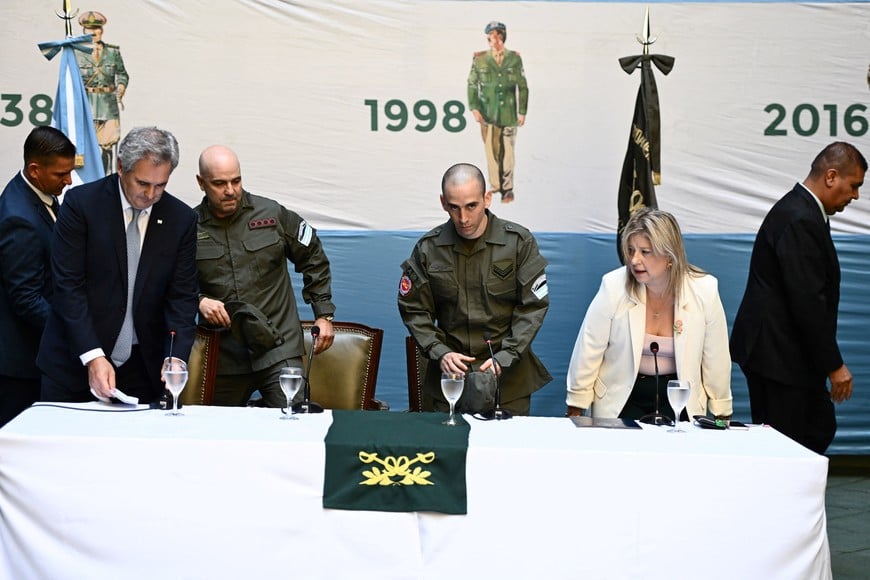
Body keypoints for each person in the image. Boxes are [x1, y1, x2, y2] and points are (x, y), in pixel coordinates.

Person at [37, 126, 198, 404]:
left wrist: (176, 355)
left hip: (144, 368)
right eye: (143, 183)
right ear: (122, 167)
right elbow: (68, 286)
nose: (150, 194)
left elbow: (182, 296)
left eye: (161, 185)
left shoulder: (180, 219)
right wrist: (92, 355)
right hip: (77, 362)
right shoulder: (81, 205)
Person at [731, 142, 866, 454]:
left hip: (782, 354)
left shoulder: (802, 211)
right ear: (831, 176)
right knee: (792, 446)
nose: (856, 196)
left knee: (810, 432)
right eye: (854, 185)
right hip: (778, 357)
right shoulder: (800, 217)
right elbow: (807, 301)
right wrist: (835, 365)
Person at [398, 163, 551, 415]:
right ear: (443, 202)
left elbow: (533, 307)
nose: (463, 218)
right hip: (449, 380)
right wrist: (441, 352)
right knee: (445, 451)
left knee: (505, 452)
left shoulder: (518, 243)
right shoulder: (429, 248)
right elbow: (413, 309)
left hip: (508, 382)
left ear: (487, 199)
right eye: (454, 208)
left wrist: (506, 355)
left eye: (471, 206)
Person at [194, 145, 336, 407]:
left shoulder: (271, 214)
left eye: (236, 181)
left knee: (294, 421)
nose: (230, 190)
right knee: (212, 432)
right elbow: (173, 283)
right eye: (219, 183)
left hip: (278, 346)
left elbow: (313, 255)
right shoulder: (189, 227)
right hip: (224, 353)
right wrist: (199, 300)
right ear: (201, 183)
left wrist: (323, 314)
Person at [566, 208, 732, 421]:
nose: (634, 260)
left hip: (680, 398)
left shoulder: (705, 289)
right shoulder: (613, 286)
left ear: (669, 254)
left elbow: (716, 359)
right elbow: (588, 350)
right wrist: (575, 406)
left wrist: (722, 412)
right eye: (631, 250)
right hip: (622, 398)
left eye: (645, 252)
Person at [0, 127, 75, 426]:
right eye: (61, 174)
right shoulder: (20, 218)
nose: (69, 181)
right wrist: (72, 330)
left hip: (32, 355)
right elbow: (26, 297)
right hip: (19, 365)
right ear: (35, 170)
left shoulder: (36, 193)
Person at [467, 21, 528, 204]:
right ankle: (495, 186)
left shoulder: (514, 59)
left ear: (501, 36)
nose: (491, 40)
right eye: (489, 37)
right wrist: (474, 108)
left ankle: (507, 188)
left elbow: (523, 87)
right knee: (492, 153)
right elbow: (472, 84)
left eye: (493, 36)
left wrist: (522, 111)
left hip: (508, 113)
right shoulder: (480, 59)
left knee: (508, 153)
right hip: (488, 114)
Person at [76, 11, 129, 176]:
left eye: (96, 29)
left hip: (108, 106)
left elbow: (122, 73)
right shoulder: (76, 53)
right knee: (84, 148)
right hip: (87, 105)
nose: (93, 33)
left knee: (108, 147)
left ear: (101, 30)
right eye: (89, 29)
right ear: (84, 31)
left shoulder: (113, 52)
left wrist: (121, 86)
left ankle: (106, 177)